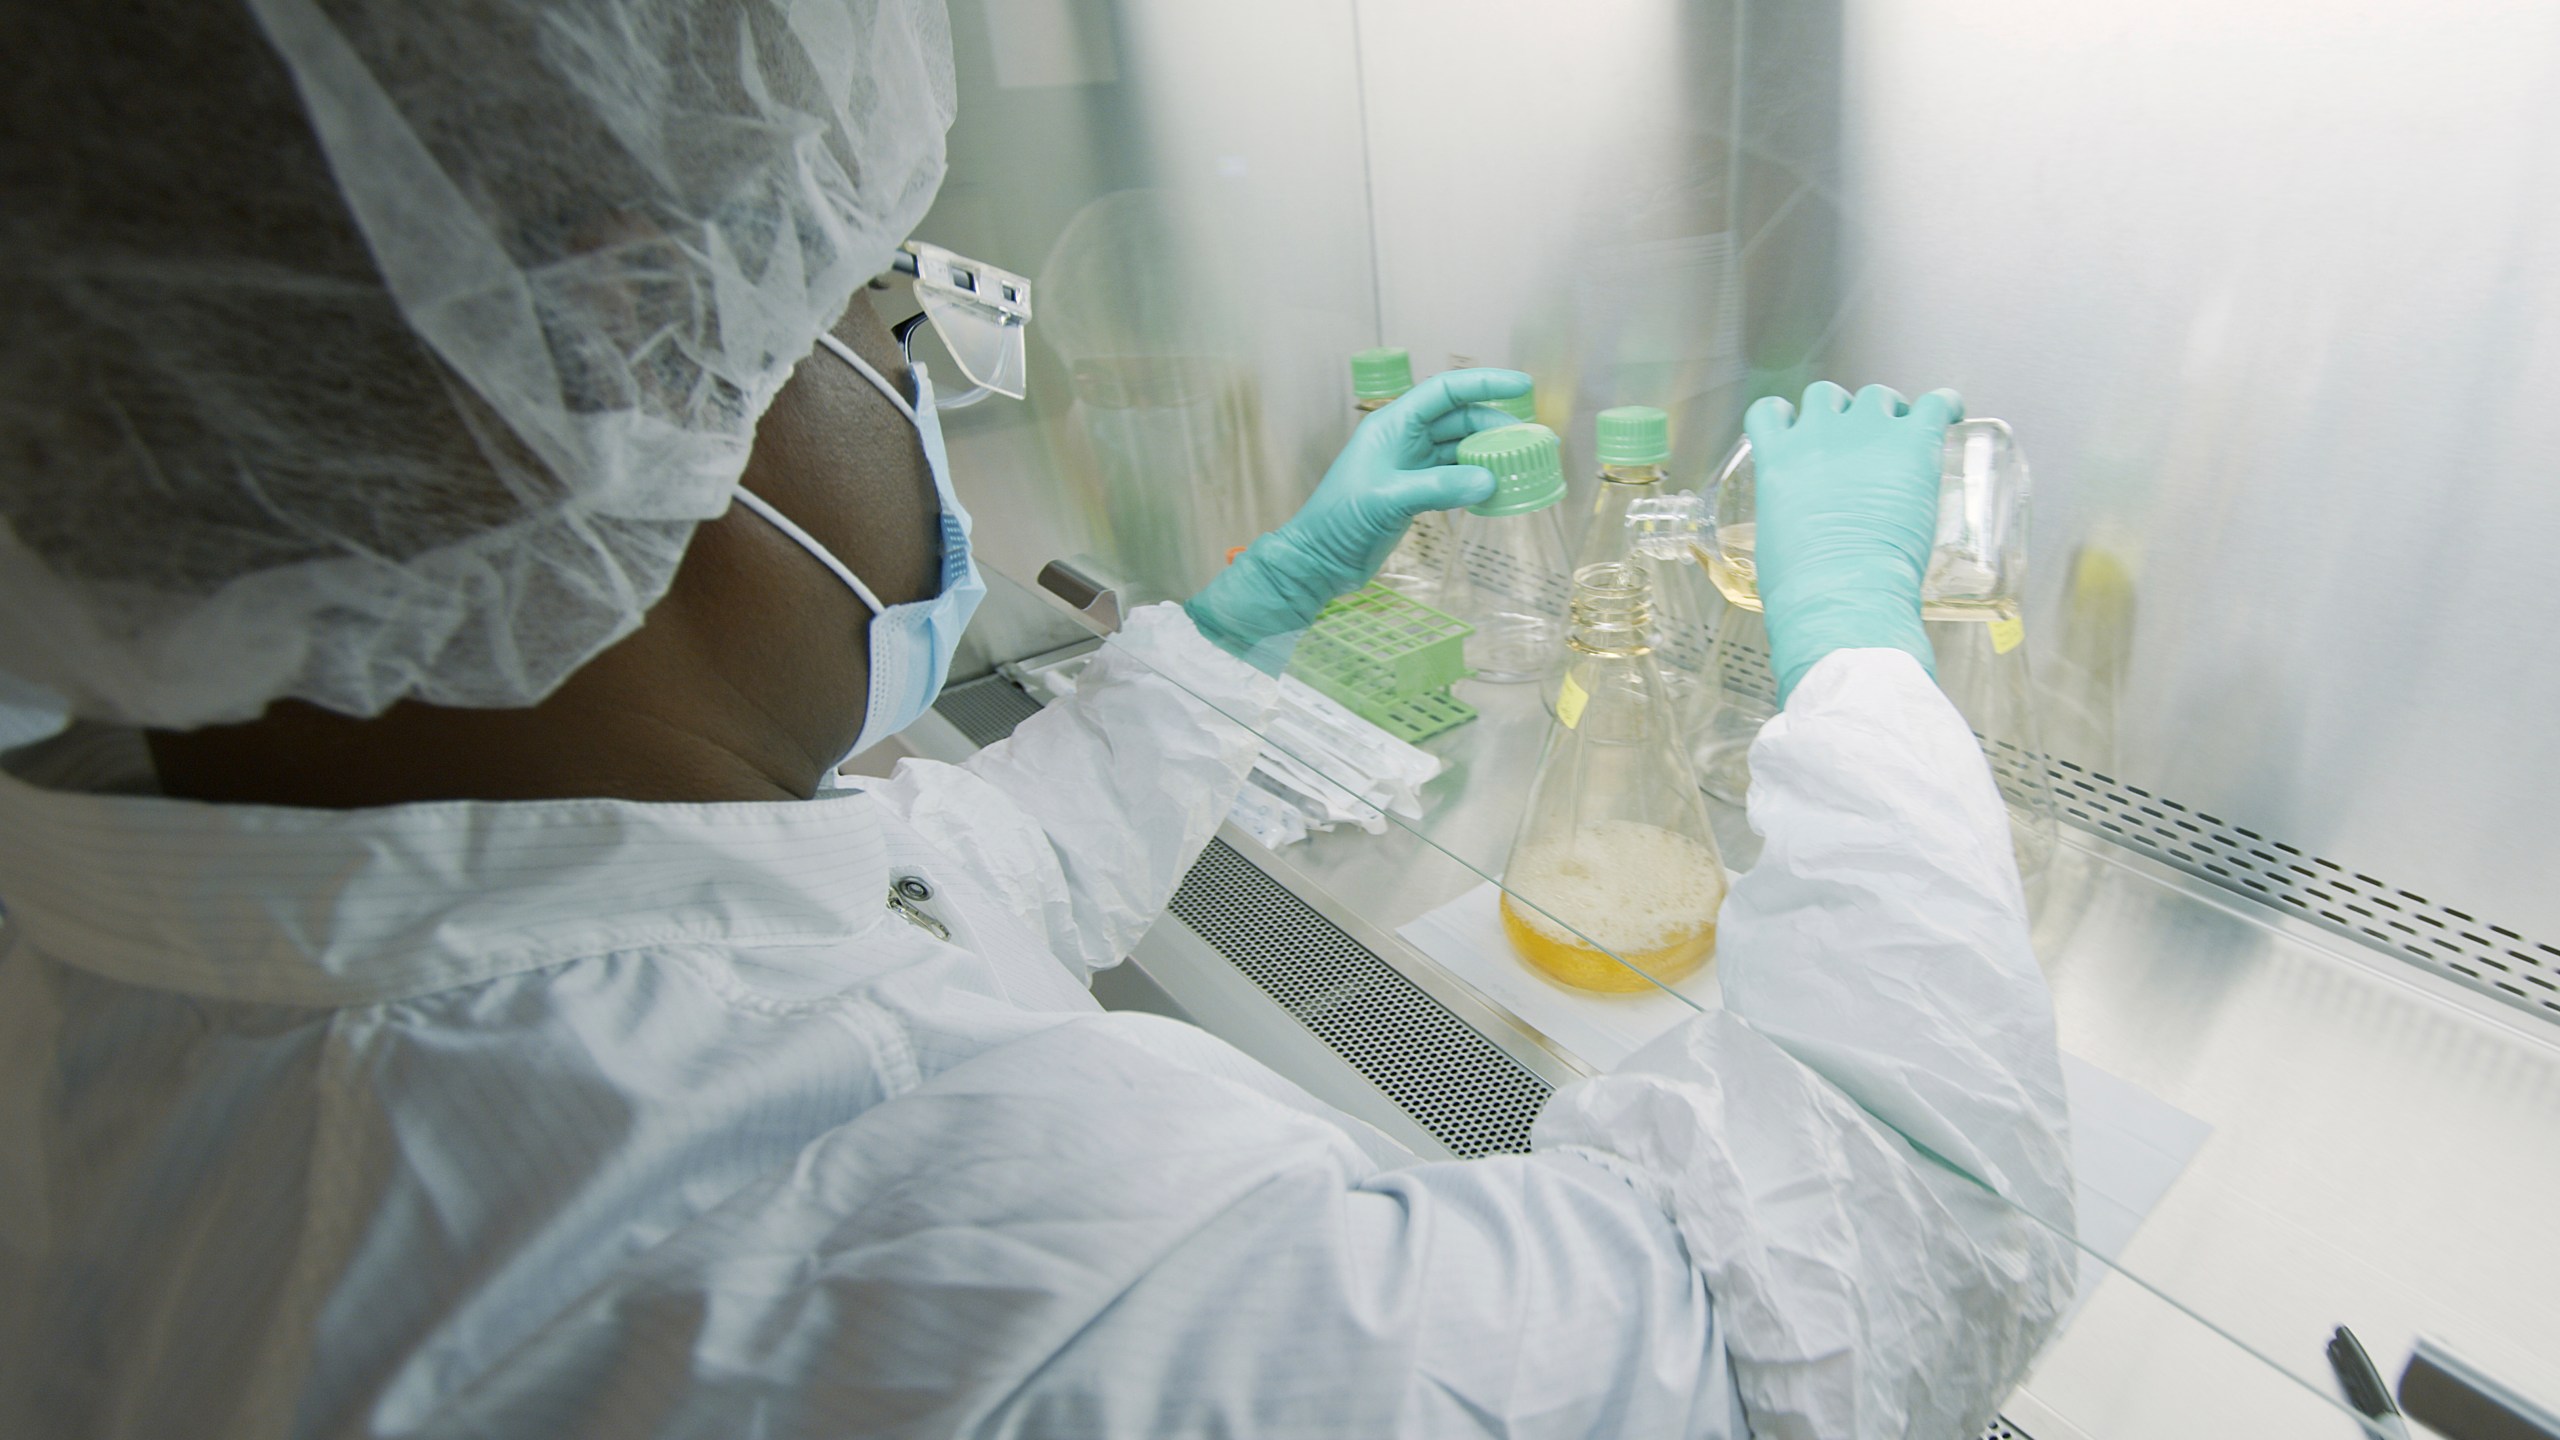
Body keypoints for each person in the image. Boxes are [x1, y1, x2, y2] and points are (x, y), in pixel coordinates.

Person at [0, 3, 2073, 1437]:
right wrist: (1854, 641)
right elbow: (1823, 1309)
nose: (911, 374)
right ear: (633, 356)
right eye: (878, 297)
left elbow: (926, 891)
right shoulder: (948, 1259)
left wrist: (1248, 612)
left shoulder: (178, 953)